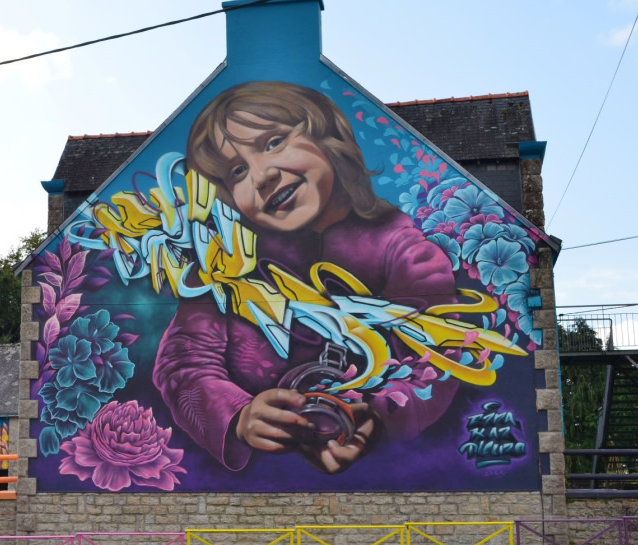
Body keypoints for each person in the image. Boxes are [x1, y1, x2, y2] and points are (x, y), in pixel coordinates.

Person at [153, 81, 459, 475]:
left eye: (273, 142)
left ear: (327, 134)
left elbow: (441, 355)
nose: (261, 176)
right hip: (249, 500)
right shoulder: (226, 262)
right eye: (238, 172)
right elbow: (183, 362)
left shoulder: (402, 247)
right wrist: (239, 415)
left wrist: (379, 415)